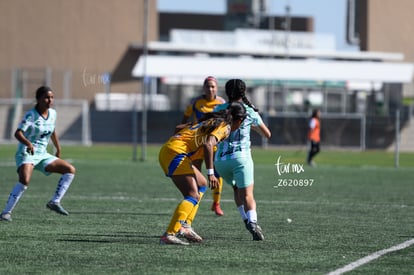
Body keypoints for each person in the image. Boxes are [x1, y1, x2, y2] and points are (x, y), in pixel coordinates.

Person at [159, 101, 247, 245]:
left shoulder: (210, 121)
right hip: (176, 153)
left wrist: (177, 144)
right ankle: (169, 234)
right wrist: (211, 173)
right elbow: (208, 144)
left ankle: (185, 226)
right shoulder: (225, 126)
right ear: (239, 120)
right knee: (192, 195)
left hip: (172, 151)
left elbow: (178, 128)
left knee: (201, 184)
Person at [0, 86, 76, 222]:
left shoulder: (53, 113)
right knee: (25, 180)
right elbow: (18, 133)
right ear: (38, 99)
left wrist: (58, 148)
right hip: (27, 153)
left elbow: (52, 131)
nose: (50, 100)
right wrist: (28, 144)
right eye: (47, 97)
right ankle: (6, 213)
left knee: (69, 170)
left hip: (42, 154)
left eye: (52, 97)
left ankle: (54, 202)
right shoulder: (31, 115)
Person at [213, 79, 271, 241]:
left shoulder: (219, 108)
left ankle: (245, 219)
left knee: (236, 189)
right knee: (247, 194)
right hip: (241, 159)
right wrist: (251, 124)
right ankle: (252, 222)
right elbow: (267, 134)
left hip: (220, 161)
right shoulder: (249, 111)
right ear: (243, 93)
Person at [181, 76, 226, 216]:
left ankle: (216, 203)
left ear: (217, 88)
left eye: (213, 86)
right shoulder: (195, 102)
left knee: (216, 173)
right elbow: (185, 118)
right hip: (197, 143)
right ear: (204, 88)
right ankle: (193, 199)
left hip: (212, 143)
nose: (210, 89)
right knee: (195, 173)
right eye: (208, 86)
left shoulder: (222, 103)